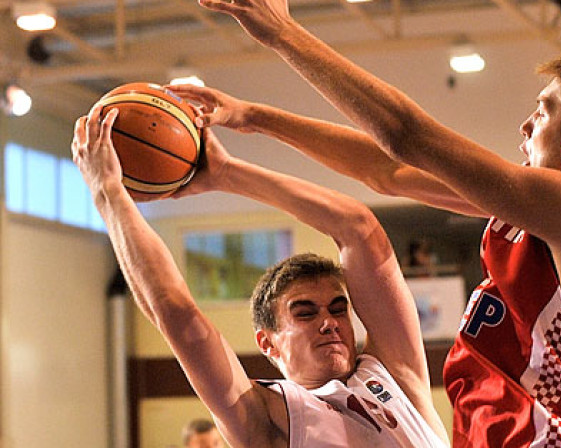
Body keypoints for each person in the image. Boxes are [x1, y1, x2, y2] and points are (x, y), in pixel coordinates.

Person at [175, 1, 561, 445]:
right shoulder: (544, 215)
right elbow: (388, 171)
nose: (527, 125)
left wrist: (283, 33)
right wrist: (252, 118)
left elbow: (404, 136)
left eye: (543, 111)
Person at [71, 109, 449, 447]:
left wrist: (228, 173)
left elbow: (358, 228)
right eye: (305, 313)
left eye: (337, 309)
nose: (330, 323)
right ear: (267, 344)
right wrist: (108, 194)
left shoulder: (394, 374)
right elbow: (176, 313)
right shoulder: (268, 417)